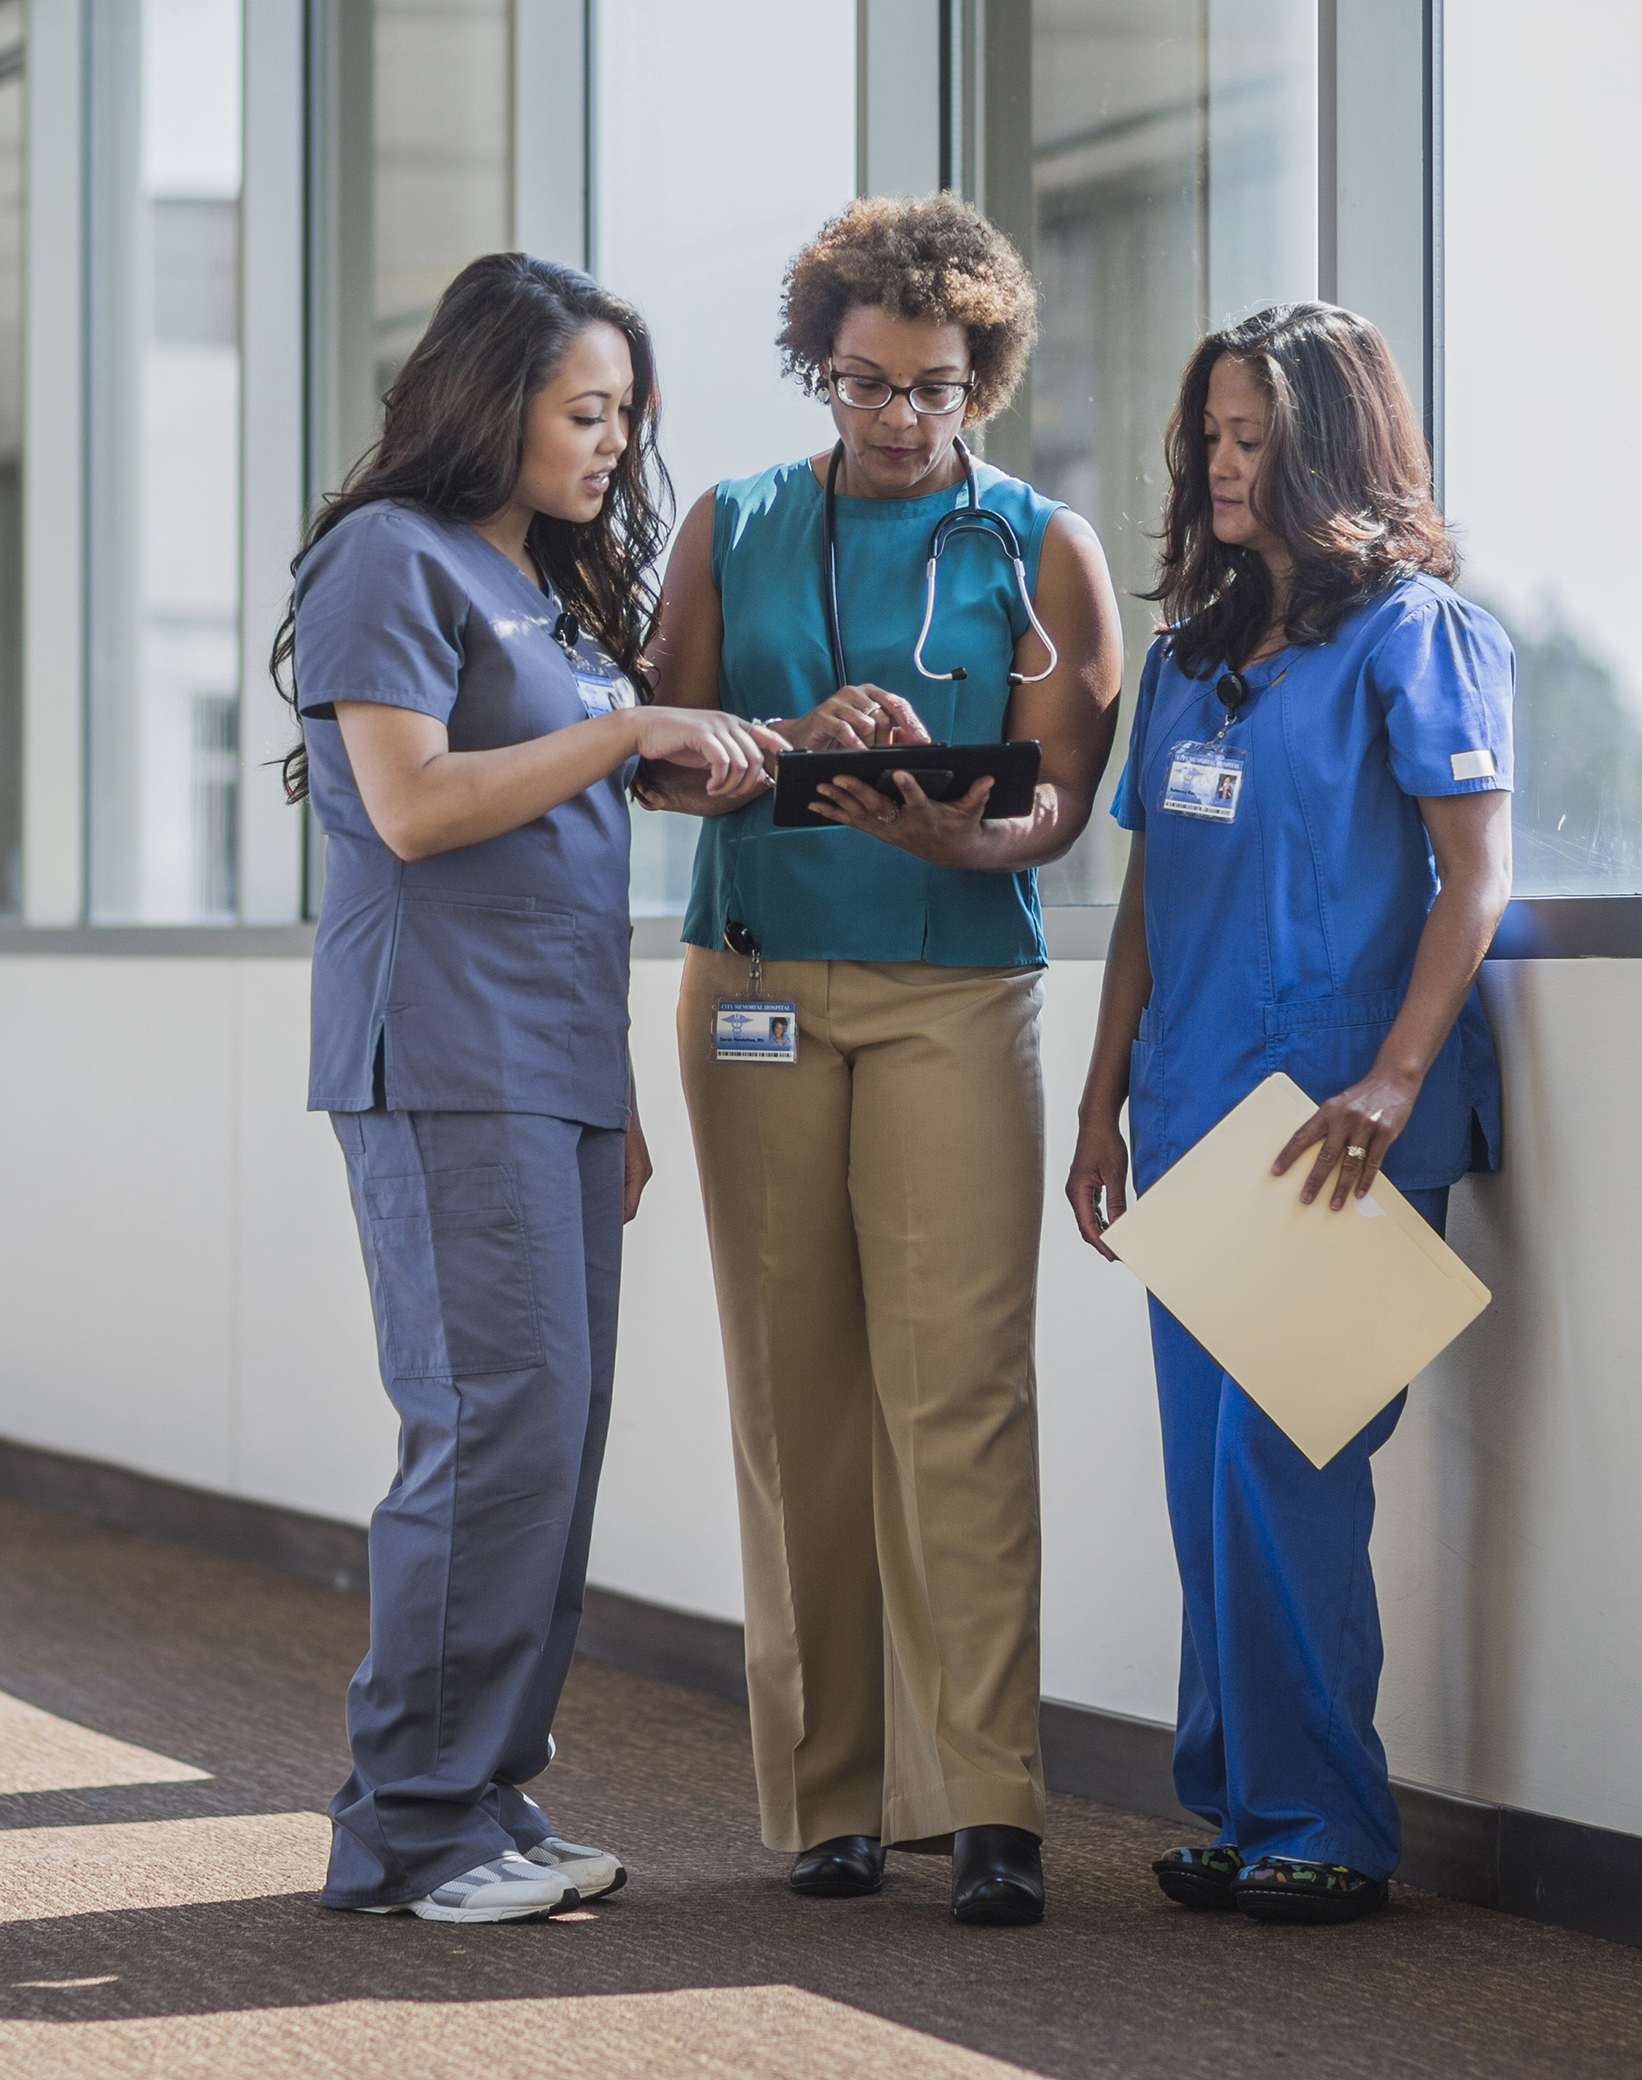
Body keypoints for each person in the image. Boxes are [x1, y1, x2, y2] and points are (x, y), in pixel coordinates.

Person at [279, 252, 783, 1924]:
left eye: (626, 415)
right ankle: (411, 1831)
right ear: (490, 401)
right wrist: (633, 728)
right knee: (487, 1433)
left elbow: (567, 866)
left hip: (554, 1070)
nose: (609, 443)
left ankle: (485, 1801)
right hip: (438, 1057)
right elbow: (417, 809)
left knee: (554, 1442)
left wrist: (615, 1089)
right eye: (584, 410)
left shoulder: (552, 600)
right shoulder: (386, 560)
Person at [644, 194, 1124, 1926]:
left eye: (931, 388)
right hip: (757, 983)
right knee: (795, 1398)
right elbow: (656, 757)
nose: (896, 419)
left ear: (980, 378)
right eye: (860, 385)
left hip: (955, 984)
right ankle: (827, 1797)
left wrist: (966, 833)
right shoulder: (733, 525)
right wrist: (788, 743)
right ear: (816, 371)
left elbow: (1061, 796)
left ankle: (989, 1799)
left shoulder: (1042, 550)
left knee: (964, 1394)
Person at [1064, 302, 1514, 1929]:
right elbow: (1145, 900)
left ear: (1332, 449)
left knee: (1283, 1465)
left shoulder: (1418, 636)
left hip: (1339, 1132)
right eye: (1211, 435)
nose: (1225, 463)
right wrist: (1104, 1093)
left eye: (1257, 436)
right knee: (1204, 1477)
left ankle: (1326, 1821)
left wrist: (1395, 1075)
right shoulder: (1184, 659)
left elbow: (1475, 880)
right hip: (1191, 1113)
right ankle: (1241, 1809)